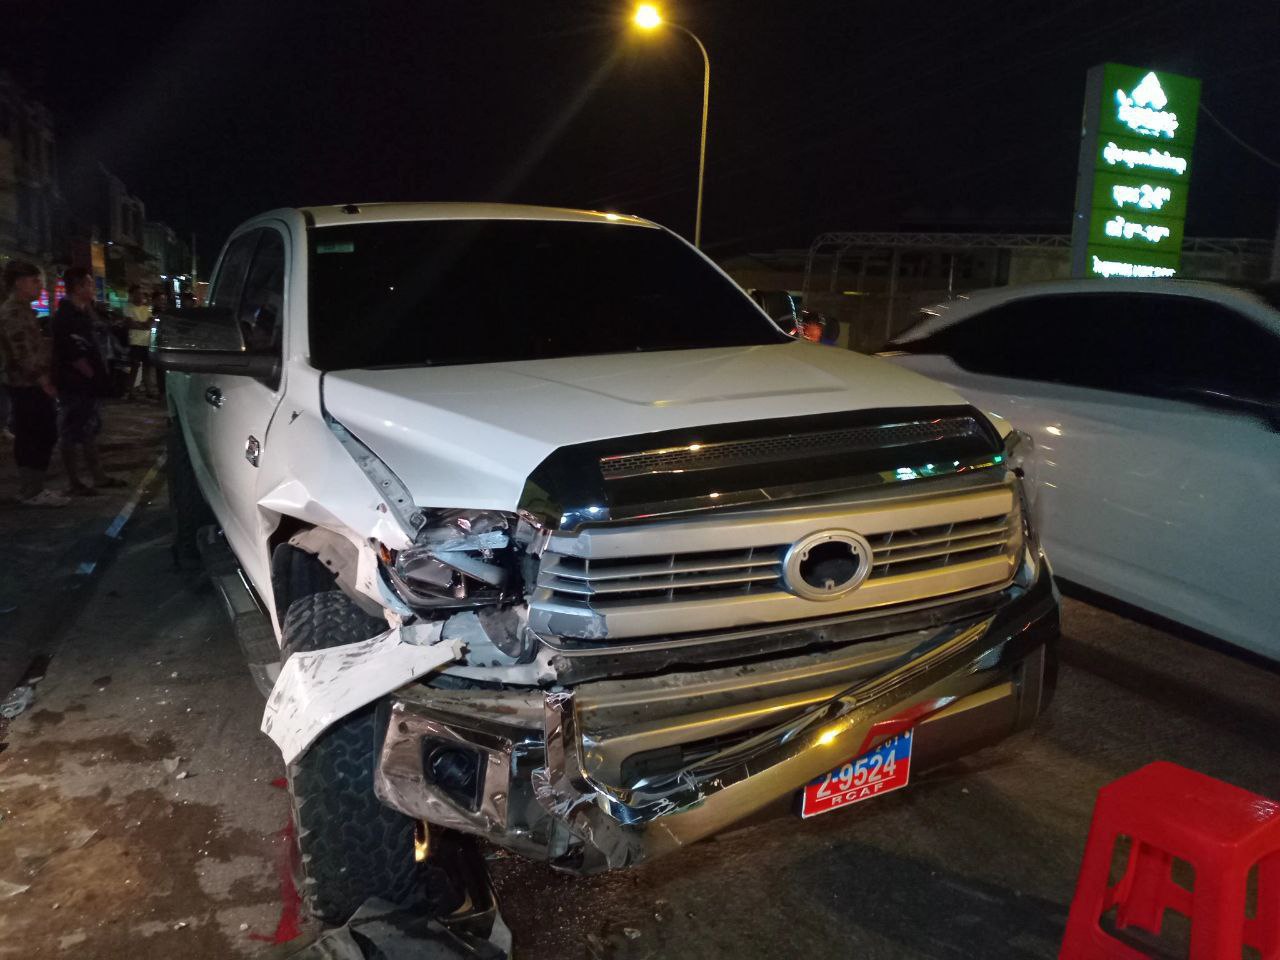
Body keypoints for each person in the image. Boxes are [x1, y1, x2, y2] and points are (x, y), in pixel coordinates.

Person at [51, 266, 125, 496]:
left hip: (88, 382)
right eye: (90, 284)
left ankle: (97, 476)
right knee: (72, 431)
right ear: (78, 287)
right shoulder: (66, 316)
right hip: (75, 383)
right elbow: (72, 354)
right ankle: (74, 481)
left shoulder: (83, 312)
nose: (94, 288)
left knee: (89, 429)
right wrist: (93, 377)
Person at [0, 260, 67, 506]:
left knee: (34, 434)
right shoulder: (13, 312)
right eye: (35, 281)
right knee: (38, 434)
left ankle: (33, 489)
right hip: (27, 384)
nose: (40, 286)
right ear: (19, 283)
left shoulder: (22, 309)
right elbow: (22, 353)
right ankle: (32, 491)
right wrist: (43, 380)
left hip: (27, 382)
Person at [124, 284, 154, 400]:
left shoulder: (147, 308)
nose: (140, 296)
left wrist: (138, 324)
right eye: (138, 293)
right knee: (135, 366)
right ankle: (131, 391)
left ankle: (148, 390)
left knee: (147, 366)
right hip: (135, 341)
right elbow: (129, 323)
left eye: (141, 293)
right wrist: (143, 325)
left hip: (146, 341)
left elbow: (150, 323)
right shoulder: (128, 307)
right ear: (132, 295)